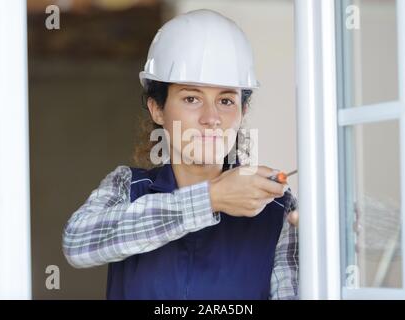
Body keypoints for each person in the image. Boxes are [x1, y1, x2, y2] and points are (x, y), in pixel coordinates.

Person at [62, 9, 299, 300]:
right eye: (191, 98)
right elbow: (77, 243)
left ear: (243, 111)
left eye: (226, 100)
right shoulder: (127, 187)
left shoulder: (276, 210)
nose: (211, 117)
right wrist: (211, 199)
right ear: (157, 109)